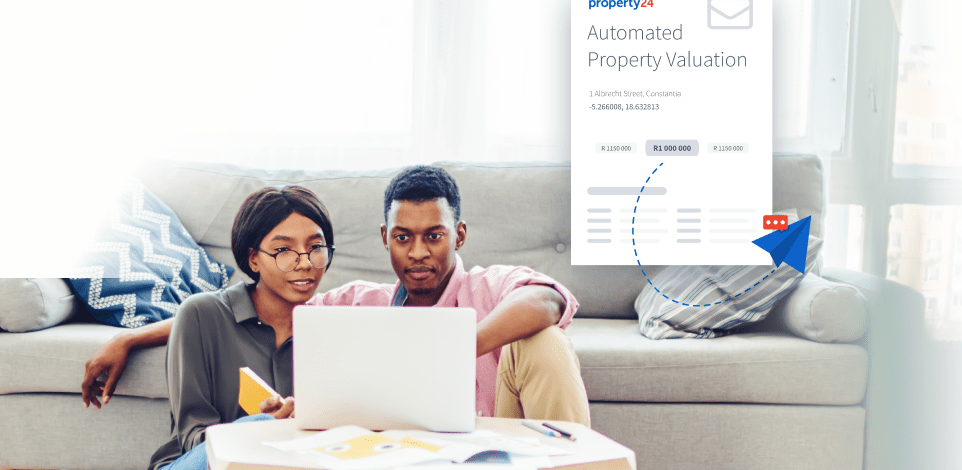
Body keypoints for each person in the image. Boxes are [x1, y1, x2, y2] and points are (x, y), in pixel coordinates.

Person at [83, 166, 590, 433]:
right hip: (408, 451)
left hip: (499, 437)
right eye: (403, 237)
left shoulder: (490, 285)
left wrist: (451, 348)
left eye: (434, 236)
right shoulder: (357, 304)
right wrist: (132, 336)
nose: (418, 252)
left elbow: (546, 301)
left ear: (458, 235)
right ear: (384, 237)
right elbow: (255, 305)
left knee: (543, 340)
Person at [142, 185, 334, 470]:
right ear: (253, 258)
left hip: (291, 464)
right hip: (204, 463)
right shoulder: (201, 314)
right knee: (261, 425)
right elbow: (193, 438)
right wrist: (260, 428)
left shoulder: (332, 328)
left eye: (315, 248)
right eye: (283, 250)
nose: (305, 263)